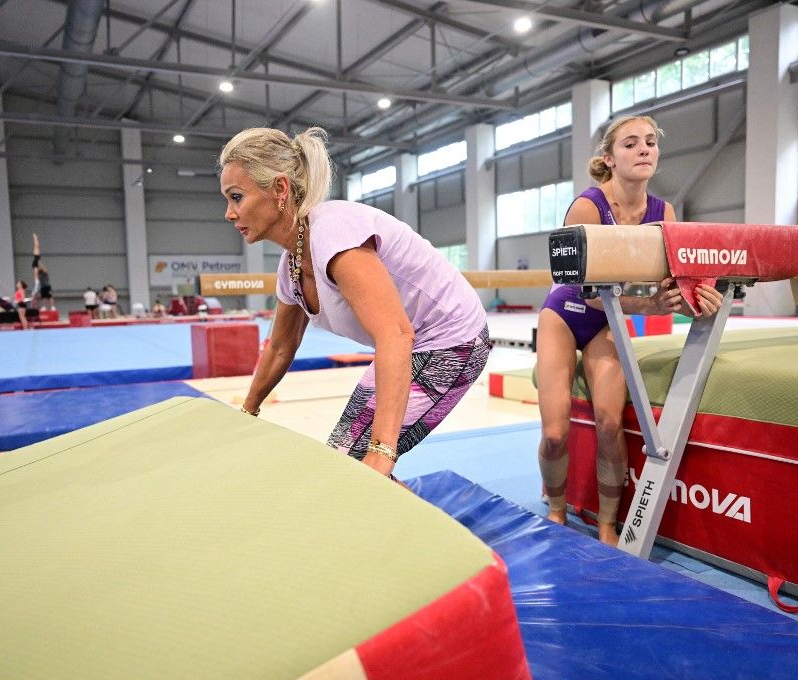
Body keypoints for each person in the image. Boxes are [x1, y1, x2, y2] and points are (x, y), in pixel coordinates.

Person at [219, 126, 490, 481]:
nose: (229, 213)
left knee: (354, 467)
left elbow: (395, 334)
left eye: (236, 197)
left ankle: (422, 533)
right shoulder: (291, 266)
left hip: (452, 341)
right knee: (346, 461)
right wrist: (247, 411)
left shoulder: (334, 232)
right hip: (412, 343)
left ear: (280, 189)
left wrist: (382, 450)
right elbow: (281, 347)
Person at [535, 114, 723, 546]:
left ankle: (606, 522)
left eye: (651, 143)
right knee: (554, 432)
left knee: (608, 424)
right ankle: (557, 507)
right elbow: (585, 293)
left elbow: (673, 282)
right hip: (566, 312)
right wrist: (652, 304)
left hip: (610, 320)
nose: (644, 150)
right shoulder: (588, 207)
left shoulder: (664, 213)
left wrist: (697, 299)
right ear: (610, 158)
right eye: (631, 144)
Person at [32, 233, 54, 311]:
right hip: (42, 285)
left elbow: (37, 246)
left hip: (46, 285)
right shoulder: (40, 272)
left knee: (36, 247)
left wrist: (35, 238)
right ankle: (45, 307)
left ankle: (52, 307)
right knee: (44, 296)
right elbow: (36, 275)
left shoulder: (43, 271)